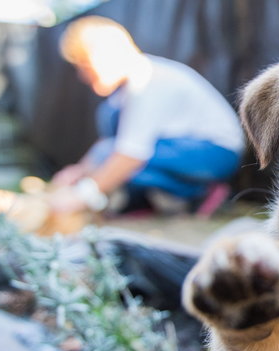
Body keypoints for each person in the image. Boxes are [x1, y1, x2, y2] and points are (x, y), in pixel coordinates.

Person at [49, 16, 245, 215]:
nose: (83, 75)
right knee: (107, 151)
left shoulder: (147, 80)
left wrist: (81, 196)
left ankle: (199, 191)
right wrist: (79, 171)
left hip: (216, 153)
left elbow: (130, 154)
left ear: (106, 54)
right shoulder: (121, 95)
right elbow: (109, 144)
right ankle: (164, 198)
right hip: (179, 150)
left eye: (85, 66)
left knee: (113, 157)